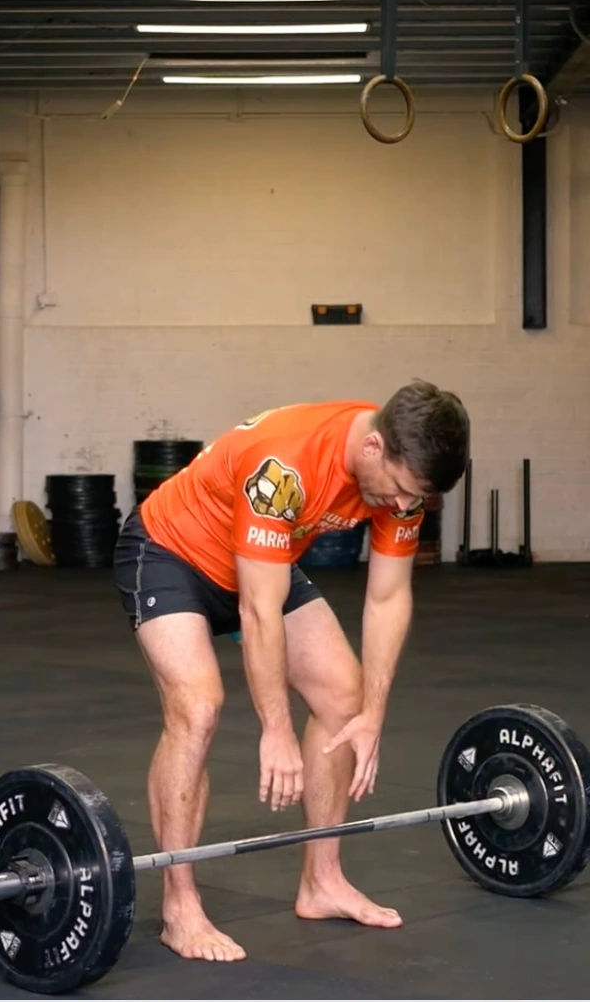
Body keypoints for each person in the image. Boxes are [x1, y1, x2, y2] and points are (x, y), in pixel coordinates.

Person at [112, 381, 470, 964]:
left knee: (344, 696)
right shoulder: (288, 463)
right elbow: (258, 610)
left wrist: (375, 713)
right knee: (197, 707)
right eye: (403, 492)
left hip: (258, 564)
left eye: (420, 501)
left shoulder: (399, 482)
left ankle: (322, 882)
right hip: (171, 554)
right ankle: (179, 906)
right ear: (374, 448)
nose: (406, 508)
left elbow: (387, 597)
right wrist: (275, 729)